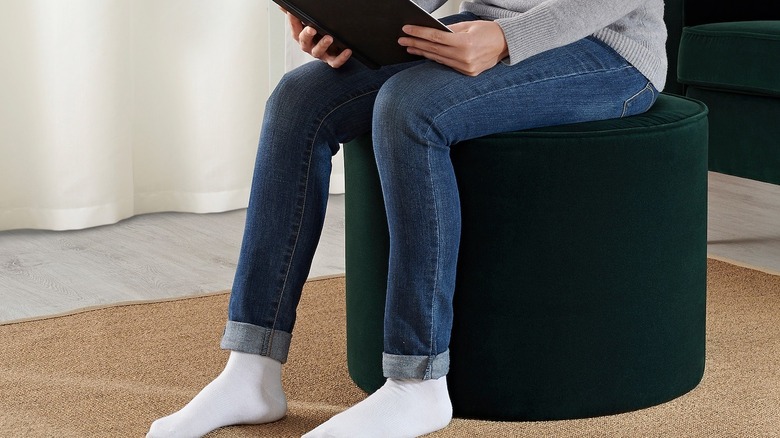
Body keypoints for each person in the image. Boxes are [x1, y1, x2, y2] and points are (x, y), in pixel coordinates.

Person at [147, 0, 667, 436]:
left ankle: (417, 384)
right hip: (477, 28)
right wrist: (343, 21)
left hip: (608, 47)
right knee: (299, 99)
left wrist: (508, 37)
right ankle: (252, 369)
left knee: (410, 105)